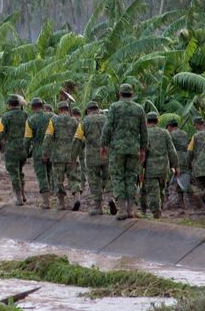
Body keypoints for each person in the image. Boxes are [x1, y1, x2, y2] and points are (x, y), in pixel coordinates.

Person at [101, 83, 148, 220]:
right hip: (134, 149)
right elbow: (144, 131)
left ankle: (121, 209)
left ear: (119, 94)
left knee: (118, 177)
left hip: (117, 149)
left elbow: (108, 127)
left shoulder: (115, 107)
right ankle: (131, 209)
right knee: (131, 177)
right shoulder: (139, 109)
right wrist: (143, 149)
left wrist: (103, 144)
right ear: (132, 94)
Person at [72, 101, 112, 215]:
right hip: (106, 154)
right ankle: (110, 198)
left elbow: (77, 140)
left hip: (92, 157)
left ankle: (97, 207)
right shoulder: (106, 119)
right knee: (108, 178)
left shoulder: (84, 122)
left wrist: (73, 157)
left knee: (94, 181)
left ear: (88, 111)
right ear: (97, 109)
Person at [140, 112, 179, 219]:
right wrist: (176, 166)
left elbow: (141, 154)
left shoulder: (144, 133)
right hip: (163, 169)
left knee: (153, 193)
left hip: (150, 169)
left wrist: (139, 171)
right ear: (157, 121)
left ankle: (156, 213)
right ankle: (158, 210)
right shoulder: (165, 133)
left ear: (146, 122)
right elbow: (172, 151)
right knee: (161, 190)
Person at [43, 101, 79, 210]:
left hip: (57, 156)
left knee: (58, 180)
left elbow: (48, 137)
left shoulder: (53, 120)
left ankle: (61, 204)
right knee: (74, 178)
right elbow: (79, 138)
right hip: (71, 156)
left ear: (58, 110)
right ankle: (77, 197)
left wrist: (45, 153)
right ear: (68, 109)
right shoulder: (75, 121)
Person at [0, 95, 29, 205]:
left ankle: (18, 197)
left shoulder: (5, 117)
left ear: (9, 104)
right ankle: (23, 194)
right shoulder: (25, 115)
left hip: (12, 149)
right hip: (23, 148)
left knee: (14, 173)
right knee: (20, 171)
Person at [25, 98, 53, 208]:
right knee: (49, 173)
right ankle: (51, 196)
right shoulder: (52, 117)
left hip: (38, 152)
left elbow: (27, 139)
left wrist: (25, 152)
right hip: (51, 150)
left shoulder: (30, 120)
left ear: (32, 107)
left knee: (42, 176)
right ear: (42, 106)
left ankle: (46, 202)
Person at [167, 118, 191, 207]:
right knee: (183, 179)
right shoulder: (184, 133)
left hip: (176, 158)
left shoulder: (171, 134)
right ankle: (183, 202)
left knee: (172, 180)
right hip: (186, 157)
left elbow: (169, 148)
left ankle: (166, 201)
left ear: (170, 126)